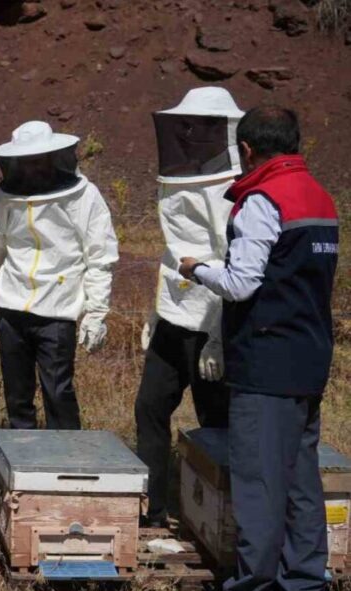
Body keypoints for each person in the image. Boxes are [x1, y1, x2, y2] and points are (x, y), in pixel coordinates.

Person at [175, 108, 338, 591]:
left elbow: (243, 282)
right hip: (308, 360)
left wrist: (196, 268)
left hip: (266, 363)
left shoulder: (261, 201)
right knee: (301, 483)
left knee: (259, 486)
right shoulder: (318, 196)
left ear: (246, 150)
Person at [135, 87, 239, 527]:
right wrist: (156, 312)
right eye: (187, 124)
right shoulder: (181, 179)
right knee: (150, 408)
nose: (191, 132)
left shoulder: (234, 189)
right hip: (174, 318)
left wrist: (217, 336)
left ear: (223, 130)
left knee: (214, 419)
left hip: (210, 322)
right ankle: (153, 509)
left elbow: (233, 264)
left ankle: (222, 519)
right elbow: (173, 253)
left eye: (202, 125)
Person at [0, 121, 117, 431]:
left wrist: (96, 312)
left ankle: (66, 460)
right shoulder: (6, 196)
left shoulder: (83, 196)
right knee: (17, 393)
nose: (32, 167)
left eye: (38, 159)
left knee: (58, 390)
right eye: (25, 160)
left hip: (57, 308)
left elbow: (100, 256)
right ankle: (23, 460)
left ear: (54, 157)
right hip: (10, 308)